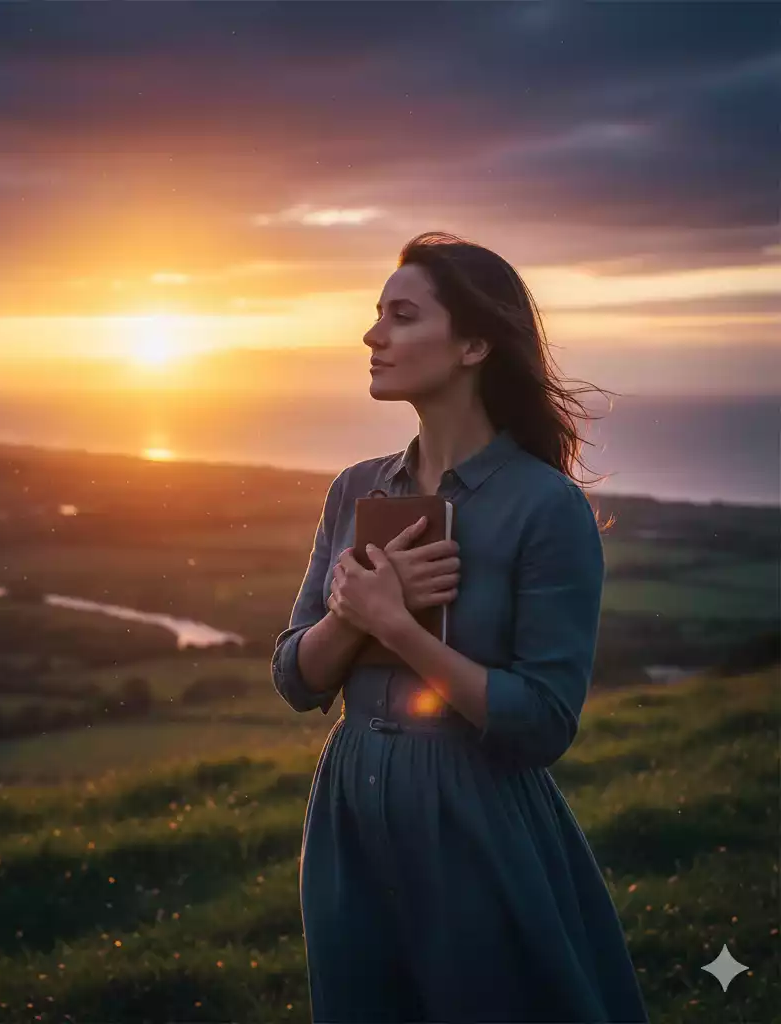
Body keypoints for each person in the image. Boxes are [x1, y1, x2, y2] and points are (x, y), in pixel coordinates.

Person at [271, 232, 650, 1023]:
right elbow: (296, 677)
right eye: (377, 315)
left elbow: (544, 723)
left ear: (475, 343)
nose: (373, 336)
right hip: (348, 813)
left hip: (475, 822)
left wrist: (401, 629)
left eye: (402, 316)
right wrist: (354, 613)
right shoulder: (355, 490)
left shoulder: (545, 507)